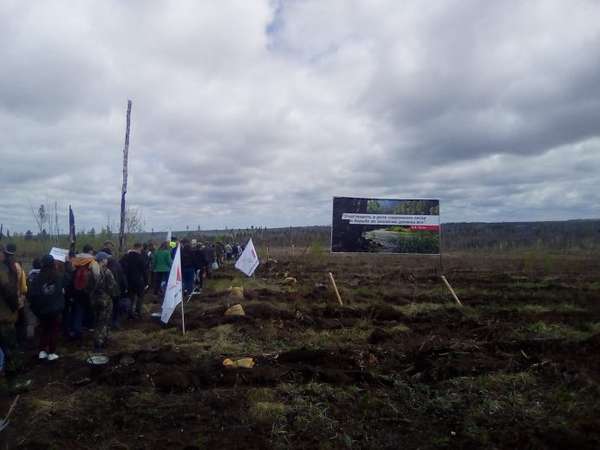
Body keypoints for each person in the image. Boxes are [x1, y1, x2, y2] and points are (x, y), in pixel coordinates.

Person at [29, 255, 65, 361]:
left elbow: (33, 295)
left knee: (44, 329)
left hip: (42, 310)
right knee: (53, 330)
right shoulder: (58, 277)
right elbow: (59, 293)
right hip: (54, 310)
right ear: (53, 263)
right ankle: (52, 352)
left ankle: (42, 351)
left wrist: (36, 309)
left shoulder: (37, 278)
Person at [91, 252, 119, 352]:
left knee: (96, 320)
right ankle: (99, 343)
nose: (107, 260)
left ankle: (98, 339)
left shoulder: (91, 270)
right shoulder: (106, 271)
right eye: (106, 259)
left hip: (94, 300)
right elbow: (112, 286)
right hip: (105, 300)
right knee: (104, 321)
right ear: (102, 260)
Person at [120, 243, 147, 319]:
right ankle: (138, 312)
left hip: (128, 280)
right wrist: (146, 282)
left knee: (131, 297)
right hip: (138, 281)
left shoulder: (126, 256)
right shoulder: (140, 257)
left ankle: (130, 313)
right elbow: (144, 270)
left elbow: (120, 265)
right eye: (141, 249)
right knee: (140, 296)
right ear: (139, 248)